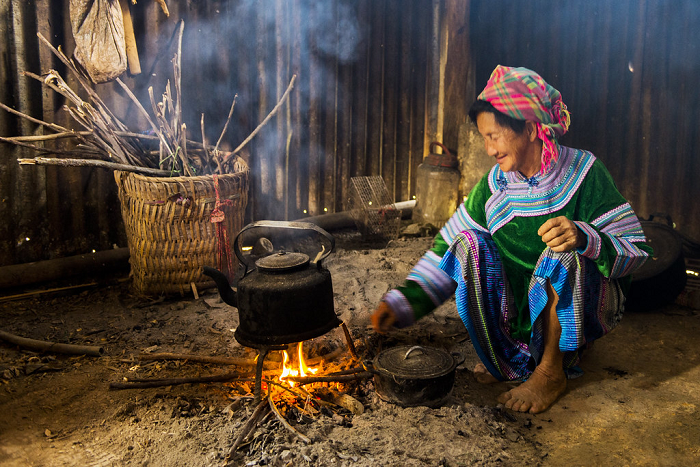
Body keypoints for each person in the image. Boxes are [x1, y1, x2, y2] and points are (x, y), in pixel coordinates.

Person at [371, 65, 652, 414]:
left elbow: (637, 249)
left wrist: (585, 237)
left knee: (562, 252)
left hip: (580, 312)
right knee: (468, 243)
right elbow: (446, 245)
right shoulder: (495, 187)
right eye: (484, 138)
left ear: (532, 129)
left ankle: (551, 370)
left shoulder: (584, 172)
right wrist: (403, 303)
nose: (488, 149)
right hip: (517, 316)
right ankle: (512, 362)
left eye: (495, 136)